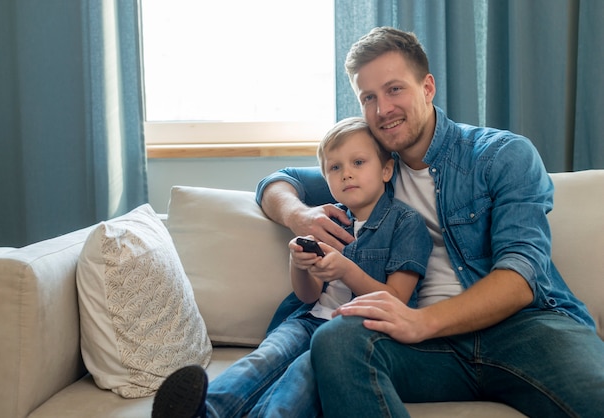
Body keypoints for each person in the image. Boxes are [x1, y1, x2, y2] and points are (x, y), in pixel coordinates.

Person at [255, 27, 604, 417]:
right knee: (336, 340)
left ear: (427, 87)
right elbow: (277, 182)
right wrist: (300, 215)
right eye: (368, 97)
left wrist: (421, 321)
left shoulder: (502, 155)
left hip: (524, 329)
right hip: (424, 351)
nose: (382, 109)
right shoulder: (373, 167)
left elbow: (521, 276)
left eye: (394, 89)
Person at [152, 117, 433, 418]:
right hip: (308, 320)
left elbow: (396, 300)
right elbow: (309, 296)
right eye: (335, 168)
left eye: (358, 162)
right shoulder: (326, 219)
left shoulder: (406, 223)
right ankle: (203, 410)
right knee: (264, 358)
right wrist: (298, 263)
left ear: (386, 170)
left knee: (298, 379)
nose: (346, 174)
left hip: (356, 335)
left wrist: (346, 270)